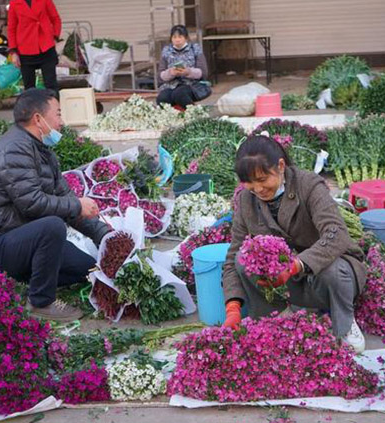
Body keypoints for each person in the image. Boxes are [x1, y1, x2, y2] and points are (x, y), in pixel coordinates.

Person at [0, 89, 109, 322]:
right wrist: (76, 206)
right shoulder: (15, 149)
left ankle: (19, 280)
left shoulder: (41, 150)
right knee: (52, 227)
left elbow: (65, 198)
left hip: (17, 239)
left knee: (86, 267)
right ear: (38, 119)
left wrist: (105, 236)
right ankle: (41, 301)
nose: (62, 122)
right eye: (58, 114)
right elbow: (31, 204)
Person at [221, 135, 367, 353]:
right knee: (244, 260)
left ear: (280, 166)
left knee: (333, 269)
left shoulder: (308, 184)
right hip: (286, 283)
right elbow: (233, 257)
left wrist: (295, 265)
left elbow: (336, 234)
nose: (258, 189)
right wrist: (233, 307)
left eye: (262, 179)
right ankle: (277, 316)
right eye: (250, 184)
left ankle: (344, 323)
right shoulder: (245, 201)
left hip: (324, 276)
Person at [7, 0, 61, 92]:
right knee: (29, 88)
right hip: (25, 49)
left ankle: (55, 105)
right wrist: (13, 52)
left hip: (46, 47)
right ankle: (32, 106)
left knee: (51, 86)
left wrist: (55, 37)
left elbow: (55, 19)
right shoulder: (14, 2)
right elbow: (11, 28)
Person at [157, 25, 209, 110]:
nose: (177, 40)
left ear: (186, 38)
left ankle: (193, 113)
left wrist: (187, 72)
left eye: (180, 37)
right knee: (162, 98)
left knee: (180, 94)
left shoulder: (195, 49)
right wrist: (171, 73)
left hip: (191, 84)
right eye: (174, 37)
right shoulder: (166, 51)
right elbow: (160, 75)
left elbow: (203, 72)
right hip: (170, 85)